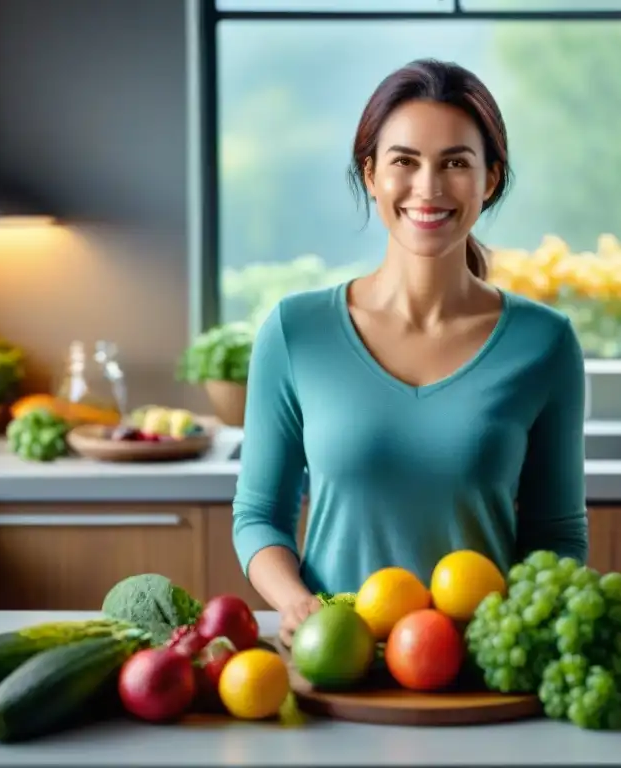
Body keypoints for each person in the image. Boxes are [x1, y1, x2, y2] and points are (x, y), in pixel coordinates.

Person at [231, 58, 588, 646]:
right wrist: (298, 606)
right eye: (404, 161)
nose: (429, 187)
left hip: (479, 665)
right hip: (338, 657)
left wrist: (517, 631)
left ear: (490, 179)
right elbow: (258, 517)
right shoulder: (295, 331)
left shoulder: (544, 343)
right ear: (370, 174)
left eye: (456, 163)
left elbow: (557, 536)